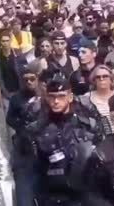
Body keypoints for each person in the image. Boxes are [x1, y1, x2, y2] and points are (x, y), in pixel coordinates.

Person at [29, 74, 104, 206]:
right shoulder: (38, 129)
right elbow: (31, 169)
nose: (56, 101)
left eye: (61, 96)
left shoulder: (87, 125)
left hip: (84, 193)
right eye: (52, 97)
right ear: (46, 98)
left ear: (70, 97)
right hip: (52, 194)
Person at [6, 66, 40, 206]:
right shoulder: (16, 98)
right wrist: (22, 127)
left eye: (32, 79)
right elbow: (10, 118)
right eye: (26, 79)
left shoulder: (44, 97)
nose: (29, 82)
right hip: (23, 148)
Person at [0, 30, 26, 114]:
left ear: (10, 41)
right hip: (6, 92)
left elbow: (26, 72)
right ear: (0, 42)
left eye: (7, 41)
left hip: (19, 91)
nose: (5, 43)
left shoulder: (18, 54)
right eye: (3, 41)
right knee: (9, 118)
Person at [84, 65, 114, 134]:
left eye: (105, 76)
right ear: (94, 80)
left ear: (111, 79)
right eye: (98, 77)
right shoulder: (86, 98)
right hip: (99, 136)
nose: (101, 79)